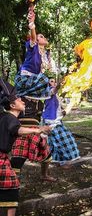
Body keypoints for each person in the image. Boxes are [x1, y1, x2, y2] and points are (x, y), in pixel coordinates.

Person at [0, 86, 51, 216]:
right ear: (12, 105)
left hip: (3, 158)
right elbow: (17, 130)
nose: (22, 101)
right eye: (18, 100)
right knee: (12, 186)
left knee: (11, 187)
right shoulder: (9, 118)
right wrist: (37, 130)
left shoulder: (6, 117)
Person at [14, 3, 54, 100]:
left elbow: (48, 68)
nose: (43, 37)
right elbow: (33, 37)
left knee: (46, 84)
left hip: (34, 80)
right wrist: (32, 24)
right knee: (44, 79)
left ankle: (28, 95)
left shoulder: (45, 55)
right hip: (24, 79)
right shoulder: (33, 46)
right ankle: (23, 93)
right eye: (41, 36)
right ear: (37, 40)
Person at [42, 78, 80, 168]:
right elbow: (55, 89)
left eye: (54, 81)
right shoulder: (47, 91)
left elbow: (59, 110)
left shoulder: (56, 95)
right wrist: (62, 82)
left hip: (55, 120)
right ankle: (64, 161)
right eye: (51, 81)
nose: (54, 83)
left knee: (54, 143)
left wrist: (68, 108)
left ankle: (59, 162)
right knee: (68, 139)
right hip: (51, 122)